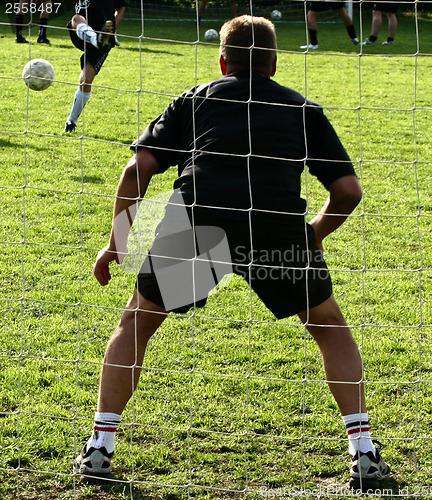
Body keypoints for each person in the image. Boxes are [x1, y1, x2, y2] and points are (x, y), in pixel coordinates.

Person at [73, 15, 391, 489]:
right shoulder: (303, 109)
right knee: (328, 328)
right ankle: (363, 453)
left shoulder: (194, 100)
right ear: (276, 64)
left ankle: (100, 448)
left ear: (223, 61)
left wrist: (118, 243)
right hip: (277, 231)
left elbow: (135, 170)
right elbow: (348, 191)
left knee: (136, 323)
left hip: (201, 225)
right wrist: (312, 236)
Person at [62, 0, 116, 133]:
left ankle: (71, 122)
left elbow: (120, 9)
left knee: (86, 79)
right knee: (76, 18)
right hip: (81, 30)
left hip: (104, 39)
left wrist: (112, 33)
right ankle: (95, 39)